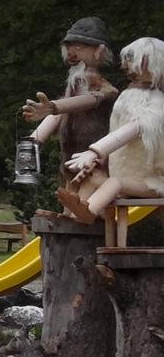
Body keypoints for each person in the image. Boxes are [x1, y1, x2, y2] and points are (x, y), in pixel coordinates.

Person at [22, 17, 118, 213]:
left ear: (98, 51)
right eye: (70, 47)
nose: (72, 53)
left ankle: (81, 223)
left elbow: (89, 100)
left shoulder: (106, 90)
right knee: (69, 202)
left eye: (80, 47)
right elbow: (60, 114)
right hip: (70, 165)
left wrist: (54, 107)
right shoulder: (72, 88)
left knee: (83, 207)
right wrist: (33, 140)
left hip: (94, 164)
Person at [65, 37, 164, 222]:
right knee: (92, 177)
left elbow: (133, 129)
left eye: (134, 59)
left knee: (114, 183)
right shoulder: (129, 97)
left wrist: (95, 151)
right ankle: (72, 220)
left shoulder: (156, 103)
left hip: (152, 182)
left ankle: (89, 211)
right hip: (126, 177)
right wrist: (98, 160)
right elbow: (119, 137)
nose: (127, 65)